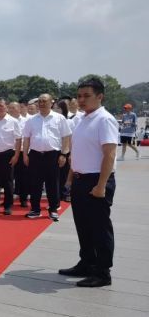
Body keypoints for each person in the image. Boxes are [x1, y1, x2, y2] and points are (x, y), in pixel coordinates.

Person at [59, 76, 118, 287]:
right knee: (83, 225)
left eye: (87, 96)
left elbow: (109, 155)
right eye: (79, 96)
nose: (81, 100)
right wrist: (69, 179)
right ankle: (87, 262)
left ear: (100, 96)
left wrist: (101, 185)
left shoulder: (105, 119)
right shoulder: (83, 119)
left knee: (99, 228)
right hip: (80, 179)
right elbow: (78, 152)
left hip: (97, 180)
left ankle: (102, 272)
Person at [22, 93, 72, 220]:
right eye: (40, 101)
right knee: (35, 183)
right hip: (35, 155)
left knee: (52, 183)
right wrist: (25, 155)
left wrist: (64, 154)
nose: (42, 103)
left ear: (51, 103)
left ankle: (53, 209)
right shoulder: (31, 119)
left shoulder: (59, 118)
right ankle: (35, 209)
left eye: (45, 101)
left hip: (53, 155)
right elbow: (26, 138)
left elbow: (66, 137)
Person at [10, 101, 30, 207]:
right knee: (9, 176)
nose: (11, 110)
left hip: (22, 151)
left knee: (24, 176)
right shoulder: (7, 121)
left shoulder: (27, 121)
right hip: (10, 151)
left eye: (14, 108)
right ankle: (9, 199)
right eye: (10, 108)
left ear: (19, 109)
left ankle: (23, 199)